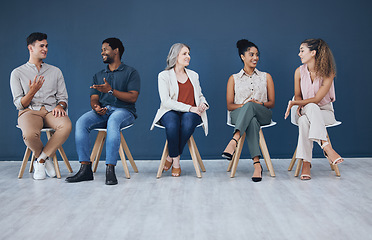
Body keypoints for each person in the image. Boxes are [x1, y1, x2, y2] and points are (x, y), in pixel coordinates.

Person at [65, 37, 140, 185]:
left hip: (124, 111)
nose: (102, 53)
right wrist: (96, 107)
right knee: (81, 122)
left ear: (116, 51)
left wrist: (111, 90)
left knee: (113, 120)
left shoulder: (131, 72)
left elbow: (132, 98)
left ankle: (110, 169)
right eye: (101, 50)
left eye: (105, 49)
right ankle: (85, 168)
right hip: (104, 112)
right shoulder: (98, 75)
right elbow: (94, 98)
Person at [10, 32, 72, 180]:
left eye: (46, 46)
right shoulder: (17, 73)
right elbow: (20, 104)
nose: (45, 49)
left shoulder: (55, 71)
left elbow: (63, 98)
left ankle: (41, 159)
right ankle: (44, 158)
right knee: (30, 135)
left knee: (66, 125)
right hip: (29, 112)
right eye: (41, 46)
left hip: (51, 110)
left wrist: (60, 106)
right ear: (30, 48)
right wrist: (32, 92)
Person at [284, 38, 344, 180]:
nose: (299, 54)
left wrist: (294, 104)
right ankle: (326, 146)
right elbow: (298, 96)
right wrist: (297, 103)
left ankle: (306, 163)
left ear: (313, 53)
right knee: (309, 109)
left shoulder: (329, 72)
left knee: (305, 120)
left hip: (325, 112)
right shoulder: (298, 72)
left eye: (302, 50)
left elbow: (317, 100)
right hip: (304, 109)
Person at [150, 43, 209, 177]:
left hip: (191, 112)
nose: (188, 56)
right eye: (184, 54)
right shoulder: (164, 76)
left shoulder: (194, 75)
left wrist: (203, 104)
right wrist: (189, 107)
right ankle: (176, 163)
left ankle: (171, 157)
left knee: (187, 124)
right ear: (175, 56)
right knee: (172, 125)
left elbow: (200, 95)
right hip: (170, 110)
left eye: (188, 54)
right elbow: (166, 101)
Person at [221, 39, 275, 182]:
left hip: (263, 113)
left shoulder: (266, 77)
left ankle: (234, 140)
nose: (255, 58)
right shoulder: (233, 79)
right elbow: (229, 106)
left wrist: (256, 104)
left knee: (251, 106)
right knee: (251, 119)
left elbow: (271, 103)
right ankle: (257, 165)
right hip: (239, 115)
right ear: (242, 57)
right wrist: (245, 106)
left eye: (257, 54)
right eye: (251, 54)